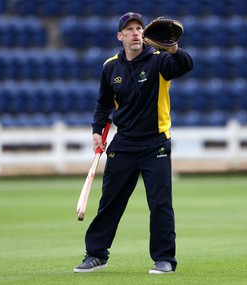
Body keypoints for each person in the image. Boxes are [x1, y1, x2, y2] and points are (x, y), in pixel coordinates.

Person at [74, 12, 193, 274]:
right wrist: (97, 130)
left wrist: (173, 48)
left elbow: (185, 65)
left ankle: (164, 259)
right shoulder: (110, 67)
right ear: (121, 36)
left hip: (156, 145)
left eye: (139, 28)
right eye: (129, 29)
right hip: (124, 145)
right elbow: (104, 104)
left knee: (160, 205)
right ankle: (96, 254)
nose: (136, 32)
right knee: (110, 202)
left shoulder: (160, 61)